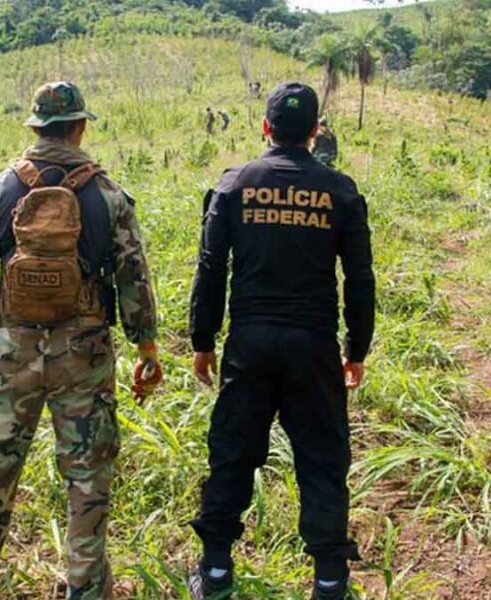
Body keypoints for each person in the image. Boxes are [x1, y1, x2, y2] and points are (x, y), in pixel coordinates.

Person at [0, 81, 162, 600]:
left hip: (10, 351)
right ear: (80, 126)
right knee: (87, 481)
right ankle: (86, 589)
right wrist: (146, 347)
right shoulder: (107, 196)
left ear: (36, 127)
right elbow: (134, 276)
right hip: (82, 354)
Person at [187, 82, 376, 600]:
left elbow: (210, 270)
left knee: (232, 452)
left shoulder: (234, 185)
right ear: (315, 132)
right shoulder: (339, 191)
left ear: (266, 128)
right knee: (321, 459)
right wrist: (356, 349)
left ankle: (217, 572)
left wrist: (202, 340)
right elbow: (359, 279)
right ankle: (330, 582)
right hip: (313, 348)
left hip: (249, 343)